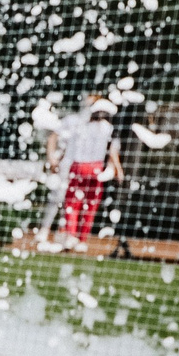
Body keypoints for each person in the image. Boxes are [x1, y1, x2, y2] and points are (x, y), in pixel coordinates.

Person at [47, 93, 119, 243]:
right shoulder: (108, 128)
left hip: (79, 166)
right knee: (90, 205)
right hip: (96, 168)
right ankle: (82, 239)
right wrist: (117, 169)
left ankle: (71, 235)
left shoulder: (82, 125)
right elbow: (112, 152)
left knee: (73, 203)